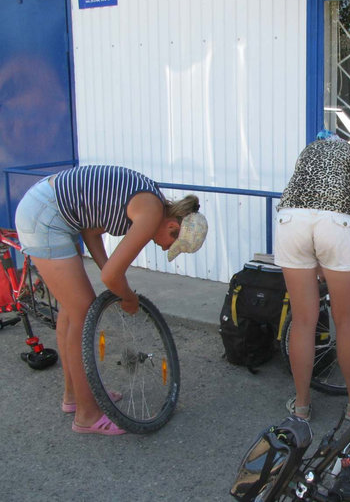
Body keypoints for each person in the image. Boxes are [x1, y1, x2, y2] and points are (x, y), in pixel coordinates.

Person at [15, 165, 208, 435]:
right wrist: (126, 296)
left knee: (73, 312)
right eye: (169, 245)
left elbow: (91, 233)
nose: (163, 247)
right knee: (83, 313)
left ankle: (73, 398)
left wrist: (114, 278)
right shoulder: (151, 213)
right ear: (173, 226)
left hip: (45, 204)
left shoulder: (148, 201)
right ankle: (87, 415)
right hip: (46, 214)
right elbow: (111, 276)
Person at [275, 133, 350, 421]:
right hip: (337, 224)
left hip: (291, 221)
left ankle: (301, 406)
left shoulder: (309, 151)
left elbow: (306, 201)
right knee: (346, 322)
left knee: (303, 321)